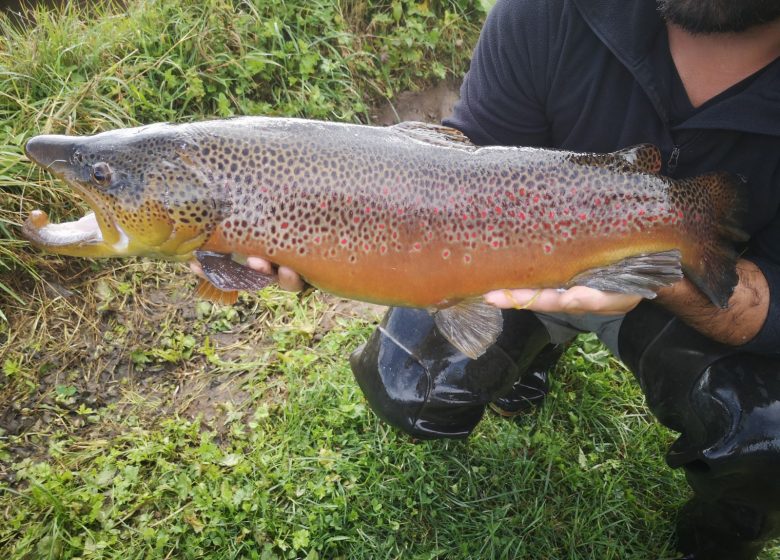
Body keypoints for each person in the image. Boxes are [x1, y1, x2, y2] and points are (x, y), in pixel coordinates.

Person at [194, 1, 780, 557]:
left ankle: (724, 539)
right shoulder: (551, 13)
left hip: (691, 292)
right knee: (406, 381)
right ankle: (535, 355)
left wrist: (658, 266)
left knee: (768, 437)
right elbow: (463, 160)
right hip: (508, 254)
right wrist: (326, 240)